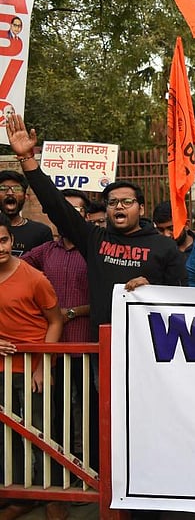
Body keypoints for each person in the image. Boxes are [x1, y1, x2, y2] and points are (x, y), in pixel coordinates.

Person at [6, 114, 185, 335]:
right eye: (112, 202)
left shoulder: (164, 246)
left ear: (141, 209)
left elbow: (181, 296)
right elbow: (56, 205)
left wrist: (151, 288)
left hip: (149, 343)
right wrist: (26, 158)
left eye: (127, 201)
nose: (119, 206)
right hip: (103, 342)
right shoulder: (95, 239)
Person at [21, 189, 95, 516]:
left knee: (91, 413)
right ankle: (61, 478)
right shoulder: (43, 252)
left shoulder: (94, 250)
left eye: (75, 210)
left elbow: (108, 297)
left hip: (88, 344)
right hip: (52, 348)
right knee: (56, 415)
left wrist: (73, 312)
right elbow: (15, 270)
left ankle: (92, 475)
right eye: (61, 210)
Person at [0, 211, 64, 520]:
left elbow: (55, 321)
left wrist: (43, 366)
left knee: (42, 434)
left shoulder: (34, 277)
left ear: (11, 241)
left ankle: (52, 497)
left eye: (3, 240)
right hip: (1, 370)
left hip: (31, 368)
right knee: (6, 437)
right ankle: (18, 495)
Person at [0, 170, 52, 256]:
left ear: (26, 196)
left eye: (16, 188)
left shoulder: (41, 232)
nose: (10, 193)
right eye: (3, 188)